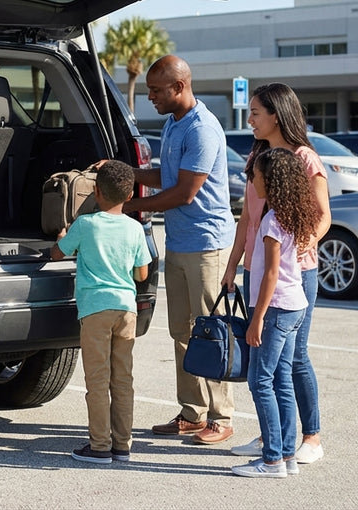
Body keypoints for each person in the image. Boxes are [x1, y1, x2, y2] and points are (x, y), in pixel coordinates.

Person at [118, 55, 237, 445]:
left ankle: (221, 417)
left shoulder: (202, 129)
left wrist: (128, 206)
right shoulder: (173, 123)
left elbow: (185, 193)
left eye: (156, 90)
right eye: (149, 89)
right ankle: (192, 412)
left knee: (212, 332)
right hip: (181, 244)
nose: (150, 96)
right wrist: (124, 174)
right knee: (182, 333)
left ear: (179, 87)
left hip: (207, 245)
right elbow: (165, 178)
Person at [221, 83, 330, 464]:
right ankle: (276, 435)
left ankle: (311, 438)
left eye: (255, 113)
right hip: (256, 269)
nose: (249, 119)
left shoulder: (305, 158)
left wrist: (299, 247)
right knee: (264, 359)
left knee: (295, 357)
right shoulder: (258, 157)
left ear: (277, 114)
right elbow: (247, 219)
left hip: (295, 272)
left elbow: (323, 218)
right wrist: (234, 262)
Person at [52, 160, 151, 464]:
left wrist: (61, 236)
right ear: (130, 193)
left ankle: (99, 446)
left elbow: (59, 253)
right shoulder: (134, 228)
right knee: (123, 379)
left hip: (95, 311)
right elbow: (142, 274)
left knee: (97, 380)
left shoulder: (85, 225)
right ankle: (122, 445)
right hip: (126, 309)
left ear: (96, 191)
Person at [230, 148, 320, 478]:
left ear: (270, 180)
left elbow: (269, 275)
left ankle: (271, 460)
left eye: (254, 176)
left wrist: (256, 320)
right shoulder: (294, 214)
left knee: (260, 381)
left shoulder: (270, 220)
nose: (251, 181)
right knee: (281, 381)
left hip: (277, 310)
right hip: (295, 305)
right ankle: (286, 456)